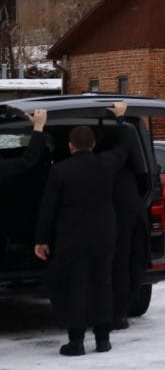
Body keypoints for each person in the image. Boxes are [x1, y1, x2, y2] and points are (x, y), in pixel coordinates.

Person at [33, 111, 117, 356]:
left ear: (70, 146)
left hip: (72, 237)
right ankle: (103, 339)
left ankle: (76, 342)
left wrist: (41, 240)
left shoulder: (60, 171)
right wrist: (120, 121)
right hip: (104, 236)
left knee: (76, 286)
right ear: (93, 145)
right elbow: (125, 147)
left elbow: (48, 209)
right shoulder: (107, 164)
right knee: (102, 283)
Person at [97, 101, 146, 330]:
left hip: (103, 219)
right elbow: (127, 146)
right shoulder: (123, 165)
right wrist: (121, 121)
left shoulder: (95, 163)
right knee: (122, 263)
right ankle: (119, 313)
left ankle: (106, 313)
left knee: (107, 265)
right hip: (127, 213)